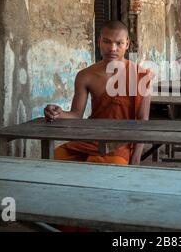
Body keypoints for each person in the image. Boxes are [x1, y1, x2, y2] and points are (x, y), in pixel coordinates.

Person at [44, 20, 152, 166]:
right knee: (53, 159)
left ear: (127, 44)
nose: (112, 48)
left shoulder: (141, 76)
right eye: (107, 42)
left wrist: (136, 158)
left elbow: (142, 120)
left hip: (120, 142)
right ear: (99, 42)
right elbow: (76, 115)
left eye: (119, 43)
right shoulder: (85, 75)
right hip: (91, 138)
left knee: (107, 170)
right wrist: (59, 113)